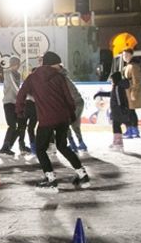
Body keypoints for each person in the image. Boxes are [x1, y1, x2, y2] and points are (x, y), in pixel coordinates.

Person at [15, 52, 90, 190]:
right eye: (58, 64)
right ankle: (82, 173)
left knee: (40, 149)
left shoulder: (33, 77)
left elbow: (21, 95)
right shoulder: (60, 77)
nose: (59, 67)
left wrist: (19, 112)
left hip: (46, 119)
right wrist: (71, 114)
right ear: (51, 63)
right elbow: (68, 98)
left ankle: (50, 178)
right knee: (62, 146)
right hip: (62, 118)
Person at [95, 71, 131, 151]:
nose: (111, 81)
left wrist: (120, 107)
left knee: (116, 126)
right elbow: (112, 94)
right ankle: (118, 142)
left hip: (118, 110)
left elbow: (118, 98)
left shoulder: (117, 86)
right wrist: (100, 93)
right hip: (118, 109)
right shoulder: (117, 86)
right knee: (116, 125)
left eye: (112, 79)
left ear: (115, 79)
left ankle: (118, 144)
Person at [0, 56, 25, 157]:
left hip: (16, 103)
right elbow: (14, 86)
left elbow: (18, 86)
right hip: (9, 102)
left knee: (20, 126)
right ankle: (4, 148)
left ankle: (8, 147)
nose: (17, 67)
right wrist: (21, 96)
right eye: (16, 64)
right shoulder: (8, 73)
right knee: (12, 125)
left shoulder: (18, 74)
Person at [58, 65, 88, 151]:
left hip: (74, 104)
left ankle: (73, 143)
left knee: (65, 124)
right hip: (77, 103)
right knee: (74, 124)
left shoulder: (61, 79)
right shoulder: (64, 78)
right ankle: (80, 143)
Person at [120, 48, 141, 138]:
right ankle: (132, 130)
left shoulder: (133, 66)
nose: (124, 57)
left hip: (130, 91)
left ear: (131, 55)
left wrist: (134, 92)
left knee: (130, 111)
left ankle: (132, 130)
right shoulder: (128, 66)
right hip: (127, 91)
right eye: (123, 55)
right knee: (129, 111)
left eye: (126, 55)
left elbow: (136, 80)